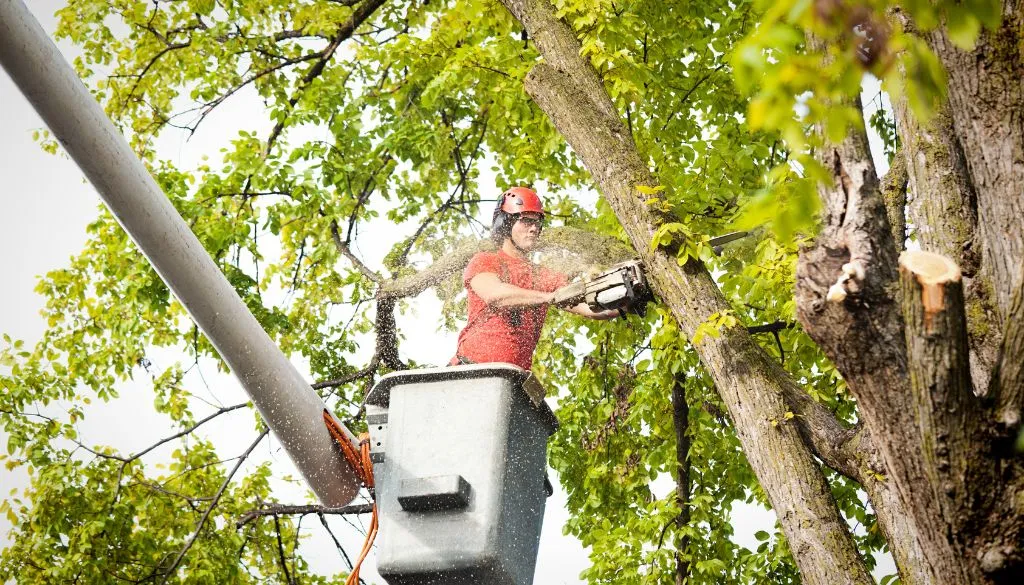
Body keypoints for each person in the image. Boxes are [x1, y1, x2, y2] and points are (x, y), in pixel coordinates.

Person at [449, 187, 619, 370]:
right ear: (506, 224)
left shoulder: (544, 276)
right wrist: (548, 297)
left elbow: (593, 309)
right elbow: (495, 295)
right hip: (470, 370)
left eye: (537, 223)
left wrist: (624, 300)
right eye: (526, 221)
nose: (534, 228)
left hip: (513, 378)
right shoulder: (486, 260)